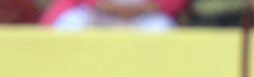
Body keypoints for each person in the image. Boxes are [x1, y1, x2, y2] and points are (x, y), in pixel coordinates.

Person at [40, 0, 185, 31]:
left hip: (146, 16)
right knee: (66, 28)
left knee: (163, 30)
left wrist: (149, 7)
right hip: (94, 14)